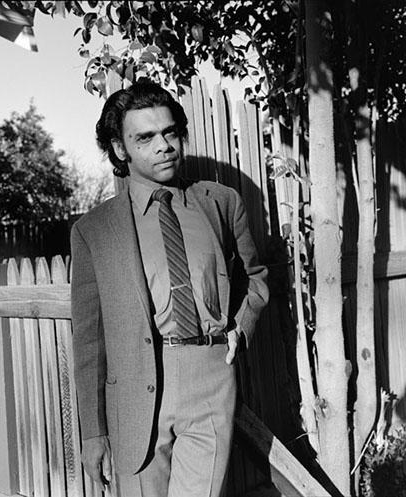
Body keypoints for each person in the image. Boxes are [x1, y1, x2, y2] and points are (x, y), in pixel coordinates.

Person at [70, 80, 269, 497]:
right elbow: (89, 339)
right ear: (120, 149)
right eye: (145, 137)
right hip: (134, 392)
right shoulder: (95, 229)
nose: (163, 145)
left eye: (170, 132)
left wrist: (240, 328)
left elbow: (256, 275)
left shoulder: (220, 202)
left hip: (209, 375)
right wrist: (93, 433)